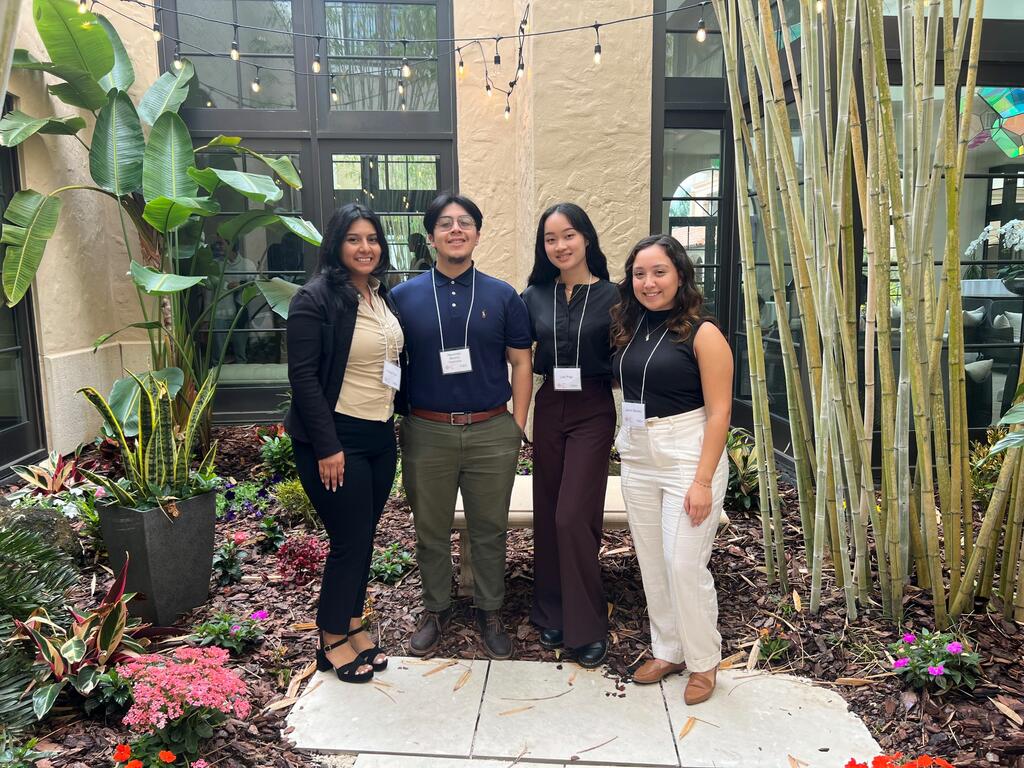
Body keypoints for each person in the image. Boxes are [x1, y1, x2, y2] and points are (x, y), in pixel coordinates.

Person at [392, 192, 533, 660]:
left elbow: (521, 362)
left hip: (492, 429)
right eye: (446, 223)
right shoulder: (402, 297)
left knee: (489, 528)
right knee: (429, 527)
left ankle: (490, 609)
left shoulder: (502, 295)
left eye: (465, 222)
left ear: (477, 232)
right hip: (426, 430)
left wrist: (517, 423)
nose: (456, 230)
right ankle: (435, 608)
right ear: (431, 236)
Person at [284, 203, 404, 683]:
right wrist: (328, 446)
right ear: (336, 244)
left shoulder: (379, 295)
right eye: (354, 238)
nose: (365, 247)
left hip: (379, 434)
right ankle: (330, 638)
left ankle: (353, 622)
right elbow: (305, 379)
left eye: (372, 238)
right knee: (349, 541)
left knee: (362, 538)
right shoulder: (314, 299)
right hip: (336, 439)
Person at [610, 234, 732, 705]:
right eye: (640, 273)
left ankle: (704, 661)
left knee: (684, 562)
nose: (649, 282)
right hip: (640, 455)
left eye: (659, 271)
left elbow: (720, 413)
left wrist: (702, 481)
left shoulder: (702, 332)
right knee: (653, 560)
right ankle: (669, 649)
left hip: (688, 450)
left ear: (680, 275)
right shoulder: (630, 327)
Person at [520, 203, 618, 668]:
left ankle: (587, 625)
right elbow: (518, 357)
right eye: (550, 239)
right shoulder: (534, 295)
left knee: (573, 516)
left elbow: (630, 357)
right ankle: (551, 612)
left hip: (592, 409)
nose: (560, 246)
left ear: (587, 239)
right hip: (550, 404)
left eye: (568, 235)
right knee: (548, 513)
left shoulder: (616, 296)